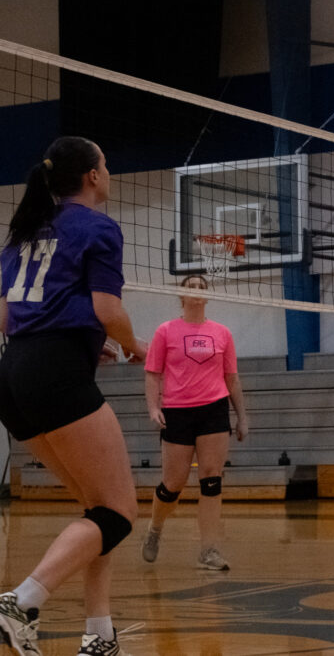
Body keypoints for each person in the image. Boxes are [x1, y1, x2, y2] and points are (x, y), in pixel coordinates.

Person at [0, 136, 148, 656]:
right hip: (55, 372)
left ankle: (100, 635)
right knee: (120, 513)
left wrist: (82, 338)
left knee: (97, 509)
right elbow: (109, 310)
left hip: (14, 372)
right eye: (106, 163)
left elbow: (6, 320)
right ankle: (21, 600)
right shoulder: (98, 227)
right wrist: (135, 346)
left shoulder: (22, 234)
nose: (109, 172)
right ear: (92, 175)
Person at [140, 274, 249, 571]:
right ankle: (154, 529)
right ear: (181, 295)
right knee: (173, 484)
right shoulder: (166, 331)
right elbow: (152, 373)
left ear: (208, 296)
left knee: (212, 479)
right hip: (177, 411)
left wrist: (241, 417)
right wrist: (153, 408)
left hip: (214, 409)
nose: (198, 290)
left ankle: (209, 550)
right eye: (192, 287)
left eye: (202, 287)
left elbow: (232, 378)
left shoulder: (222, 333)